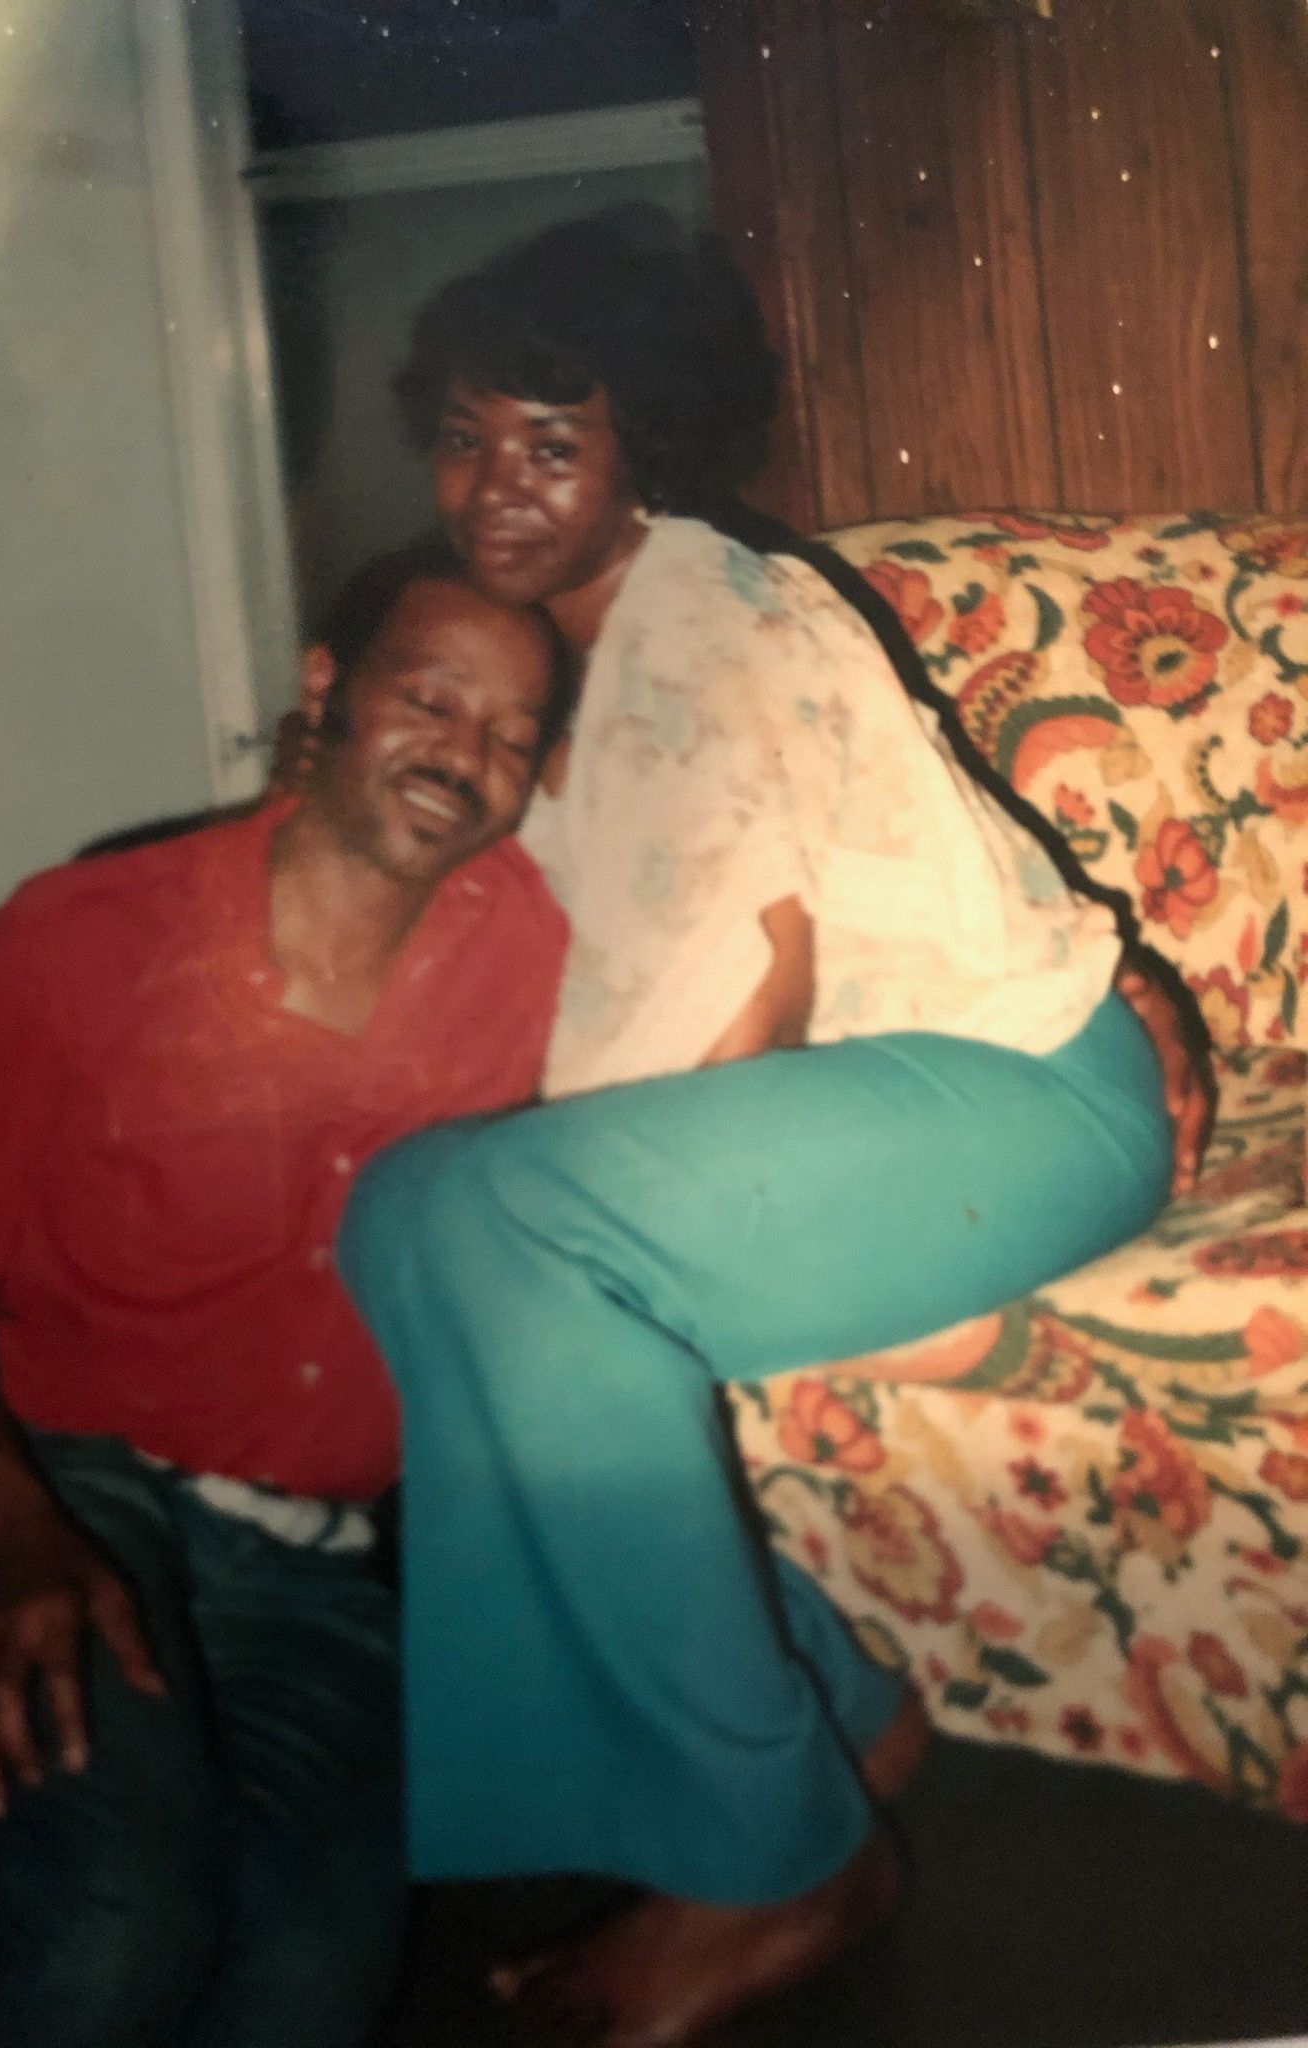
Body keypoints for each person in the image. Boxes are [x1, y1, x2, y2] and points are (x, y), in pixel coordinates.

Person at [328, 210, 1211, 2048]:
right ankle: (832, 1707)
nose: (498, 485)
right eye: (469, 437)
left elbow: (747, 1008)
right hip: (889, 1119)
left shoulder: (703, 617)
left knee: (486, 1232)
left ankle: (777, 1859)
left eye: (553, 443)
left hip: (1011, 1099)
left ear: (643, 442)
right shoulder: (557, 666)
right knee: (420, 1223)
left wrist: (603, 1234)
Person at [0, 551, 577, 2048]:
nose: (467, 754)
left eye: (512, 733)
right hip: (68, 1495)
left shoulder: (539, 947)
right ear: (326, 689)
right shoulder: (80, 936)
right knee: (120, 1930)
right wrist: (13, 1532)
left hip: (315, 1571)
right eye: (430, 697)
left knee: (312, 1979)